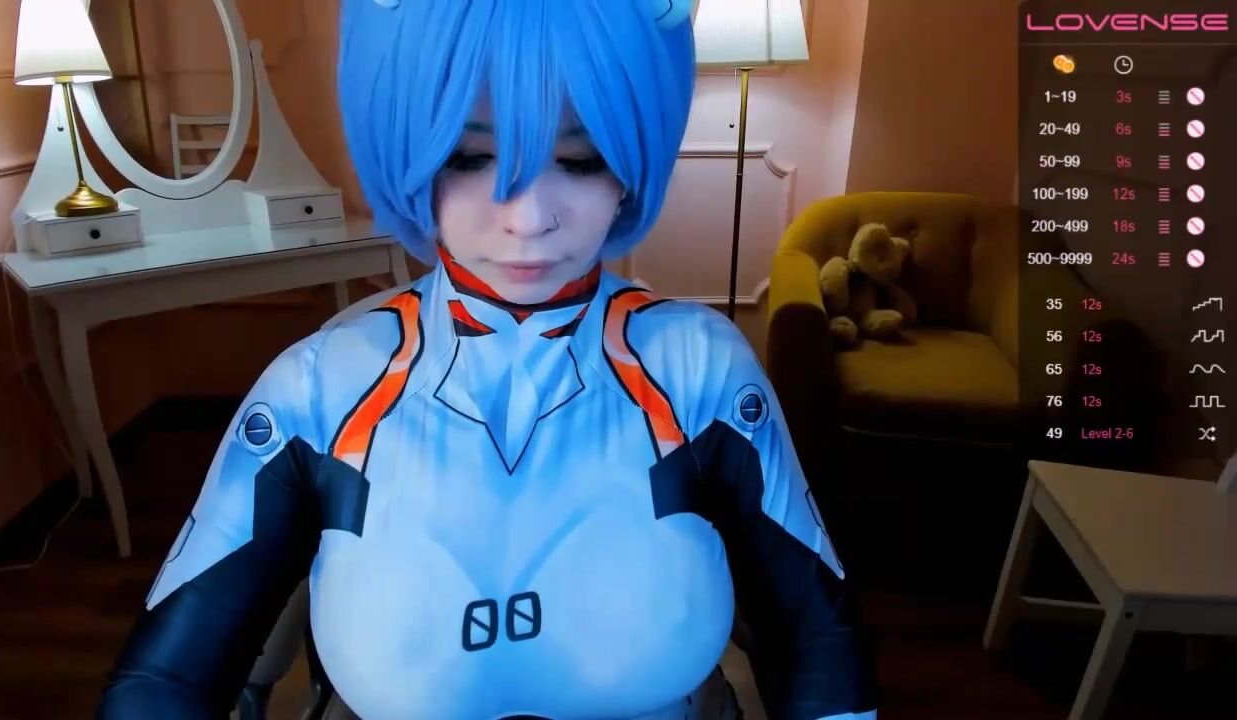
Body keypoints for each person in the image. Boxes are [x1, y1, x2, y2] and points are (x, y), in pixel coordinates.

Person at [96, 0, 878, 718]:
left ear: (632, 156)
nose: (528, 218)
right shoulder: (319, 393)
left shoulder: (701, 376)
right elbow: (165, 682)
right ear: (405, 145)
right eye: (471, 157)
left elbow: (817, 640)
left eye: (580, 159)